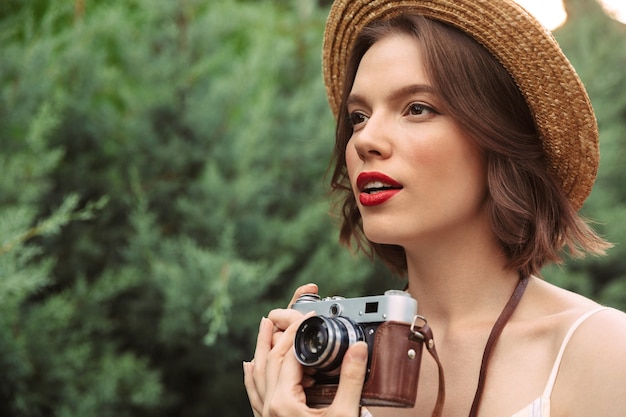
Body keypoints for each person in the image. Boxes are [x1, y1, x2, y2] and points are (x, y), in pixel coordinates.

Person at [243, 0, 626, 416]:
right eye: (358, 116)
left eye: (417, 108)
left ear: (495, 137)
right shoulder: (332, 356)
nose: (366, 139)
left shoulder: (600, 351)